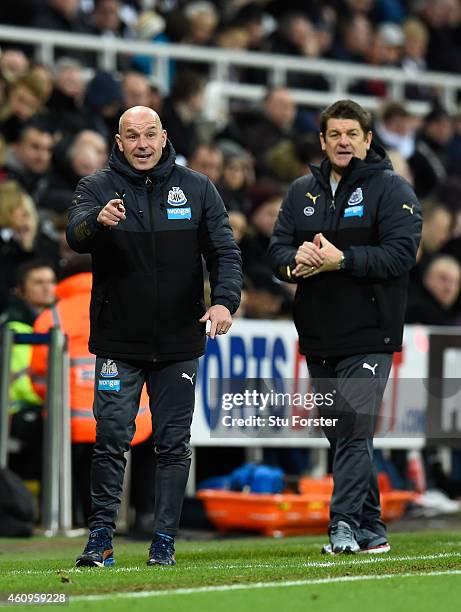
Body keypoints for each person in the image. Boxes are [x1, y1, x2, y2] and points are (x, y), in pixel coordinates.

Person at [67, 105, 242, 567]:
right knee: (110, 439)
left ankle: (163, 539)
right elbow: (74, 235)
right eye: (132, 136)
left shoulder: (199, 188)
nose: (142, 144)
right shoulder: (96, 187)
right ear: (118, 142)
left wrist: (224, 302)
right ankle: (100, 538)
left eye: (149, 134)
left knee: (172, 443)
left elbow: (224, 252)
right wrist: (96, 222)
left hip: (179, 342)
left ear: (164, 137)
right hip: (117, 342)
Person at [269, 99, 422, 555]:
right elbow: (277, 251)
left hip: (370, 332)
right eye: (334, 134)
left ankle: (343, 526)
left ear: (368, 141)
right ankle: (372, 527)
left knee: (353, 429)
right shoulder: (301, 192)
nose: (343, 142)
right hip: (318, 333)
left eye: (352, 134)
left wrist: (343, 259)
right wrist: (294, 264)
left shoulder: (392, 190)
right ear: (322, 141)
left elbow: (401, 255)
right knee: (344, 434)